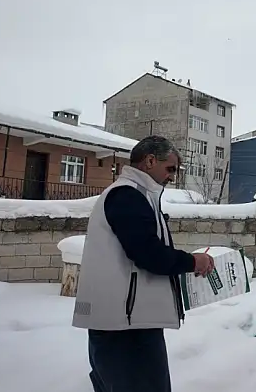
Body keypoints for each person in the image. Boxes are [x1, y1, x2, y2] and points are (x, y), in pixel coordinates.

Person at [72, 136, 215, 392]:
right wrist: (193, 261)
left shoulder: (137, 195)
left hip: (128, 321)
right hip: (125, 326)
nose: (172, 177)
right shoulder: (127, 195)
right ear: (150, 161)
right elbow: (148, 253)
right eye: (170, 168)